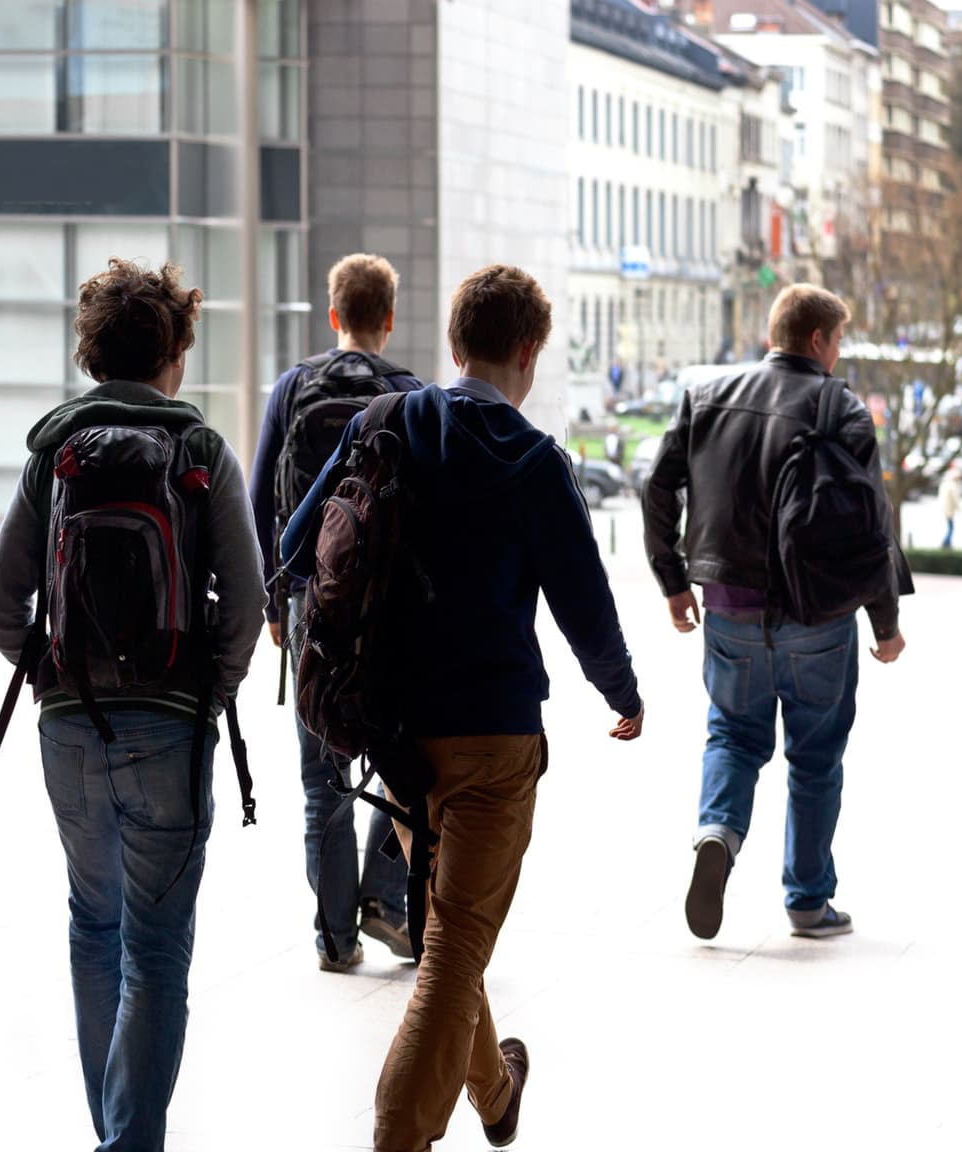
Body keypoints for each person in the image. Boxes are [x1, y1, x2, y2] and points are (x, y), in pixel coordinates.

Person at [282, 264, 644, 1152]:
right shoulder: (532, 460)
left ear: (452, 345)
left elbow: (293, 545)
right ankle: (397, 1137)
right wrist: (622, 692)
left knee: (454, 931)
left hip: (393, 737)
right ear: (529, 353)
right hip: (492, 740)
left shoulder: (382, 424)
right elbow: (584, 603)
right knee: (452, 953)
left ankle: (495, 1091)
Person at [0, 259, 264, 1150]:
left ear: (90, 354)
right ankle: (129, 1144)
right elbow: (249, 605)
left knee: (92, 929)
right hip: (169, 731)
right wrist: (207, 692)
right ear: (176, 352)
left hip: (68, 731)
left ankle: (112, 1135)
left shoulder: (54, 455)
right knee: (156, 951)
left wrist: (51, 674)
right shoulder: (201, 451)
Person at [645, 283, 909, 942]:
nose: (837, 353)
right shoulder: (839, 406)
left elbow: (657, 485)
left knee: (733, 737)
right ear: (818, 340)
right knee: (816, 760)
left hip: (729, 608)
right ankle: (808, 900)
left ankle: (717, 835)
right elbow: (870, 521)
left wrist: (674, 581)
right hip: (820, 617)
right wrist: (885, 624)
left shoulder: (707, 396)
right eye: (838, 341)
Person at [249, 253, 423, 971]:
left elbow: (262, 497)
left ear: (332, 315)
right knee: (401, 767)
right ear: (388, 317)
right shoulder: (411, 396)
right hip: (392, 612)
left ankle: (335, 937)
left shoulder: (294, 388)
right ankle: (385, 897)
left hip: (310, 604)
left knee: (321, 778)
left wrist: (273, 595)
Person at [939, 462, 962, 549]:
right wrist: (960, 509)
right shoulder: (952, 485)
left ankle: (947, 543)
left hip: (946, 509)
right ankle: (946, 543)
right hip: (949, 510)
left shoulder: (945, 483)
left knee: (950, 527)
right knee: (951, 527)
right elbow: (955, 499)